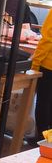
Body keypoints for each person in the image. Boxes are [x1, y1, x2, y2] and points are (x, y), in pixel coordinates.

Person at [31, 8, 52, 139]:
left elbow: (47, 40)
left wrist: (35, 63)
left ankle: (41, 138)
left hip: (49, 65)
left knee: (43, 102)